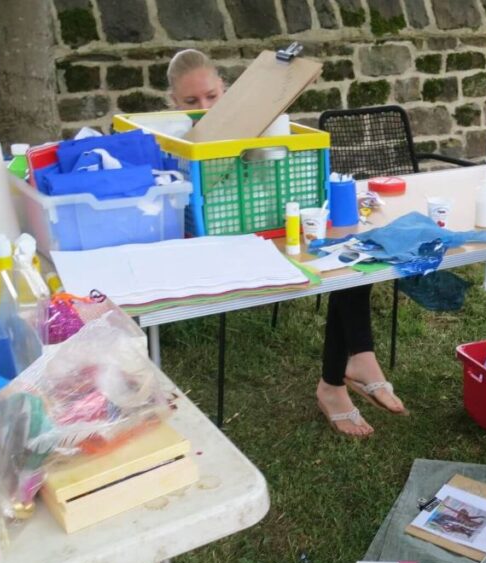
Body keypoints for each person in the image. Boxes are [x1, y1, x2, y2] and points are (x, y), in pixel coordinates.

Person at [167, 50, 405, 437]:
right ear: (174, 103)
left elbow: (276, 191)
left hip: (279, 229)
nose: (205, 107)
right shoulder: (179, 140)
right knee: (339, 259)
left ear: (226, 89)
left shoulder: (261, 124)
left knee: (351, 254)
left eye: (212, 95)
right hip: (220, 246)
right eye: (191, 101)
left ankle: (350, 366)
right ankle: (343, 373)